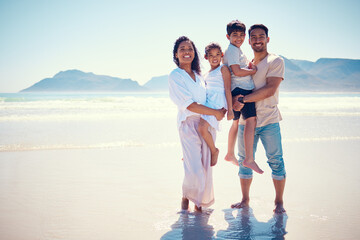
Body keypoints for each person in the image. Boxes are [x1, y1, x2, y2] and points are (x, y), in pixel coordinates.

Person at [231, 24, 286, 214]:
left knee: (276, 161)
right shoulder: (247, 64)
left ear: (267, 39)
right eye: (253, 37)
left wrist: (242, 100)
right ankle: (245, 200)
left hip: (269, 119)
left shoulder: (275, 61)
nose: (257, 40)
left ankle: (279, 202)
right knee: (243, 160)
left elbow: (270, 89)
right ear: (249, 41)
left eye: (261, 36)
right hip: (246, 122)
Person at [168, 36, 226, 212]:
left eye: (190, 49)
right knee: (194, 168)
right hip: (188, 123)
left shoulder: (200, 76)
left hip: (206, 123)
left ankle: (198, 205)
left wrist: (230, 106)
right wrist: (215, 112)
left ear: (195, 53)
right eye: (182, 49)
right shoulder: (175, 75)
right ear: (176, 55)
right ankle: (186, 196)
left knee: (205, 167)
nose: (187, 52)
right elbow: (189, 104)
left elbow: (215, 94)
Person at [223, 20, 263, 174]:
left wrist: (249, 66)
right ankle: (249, 159)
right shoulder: (233, 50)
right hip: (242, 89)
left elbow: (239, 68)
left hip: (237, 89)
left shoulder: (236, 51)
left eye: (241, 35)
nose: (238, 38)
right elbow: (237, 71)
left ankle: (230, 154)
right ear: (228, 36)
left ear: (245, 36)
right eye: (234, 35)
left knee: (235, 124)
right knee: (250, 121)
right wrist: (252, 71)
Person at [198, 43, 233, 167]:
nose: (214, 58)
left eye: (218, 55)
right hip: (208, 102)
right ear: (206, 57)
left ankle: (214, 150)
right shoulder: (206, 73)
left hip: (217, 103)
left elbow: (228, 89)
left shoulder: (223, 69)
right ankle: (193, 153)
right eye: (211, 55)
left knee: (202, 128)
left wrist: (230, 110)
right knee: (199, 128)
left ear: (222, 55)